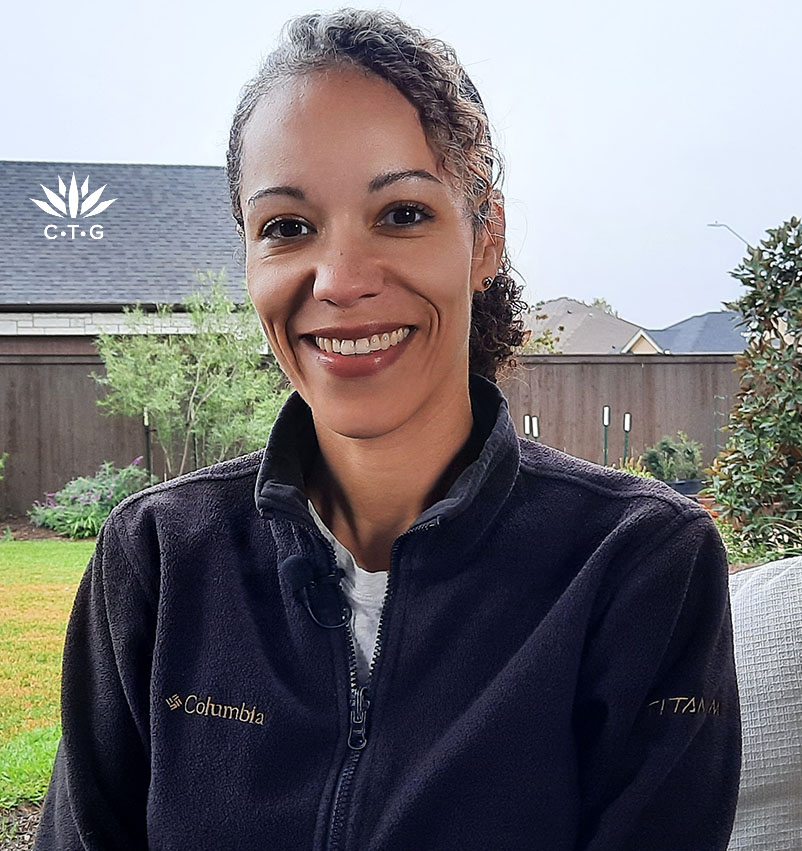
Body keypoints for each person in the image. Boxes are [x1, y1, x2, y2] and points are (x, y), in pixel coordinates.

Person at [34, 9, 740, 850]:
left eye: (401, 213)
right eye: (288, 227)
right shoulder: (155, 556)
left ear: (486, 238)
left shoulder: (640, 562)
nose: (339, 280)